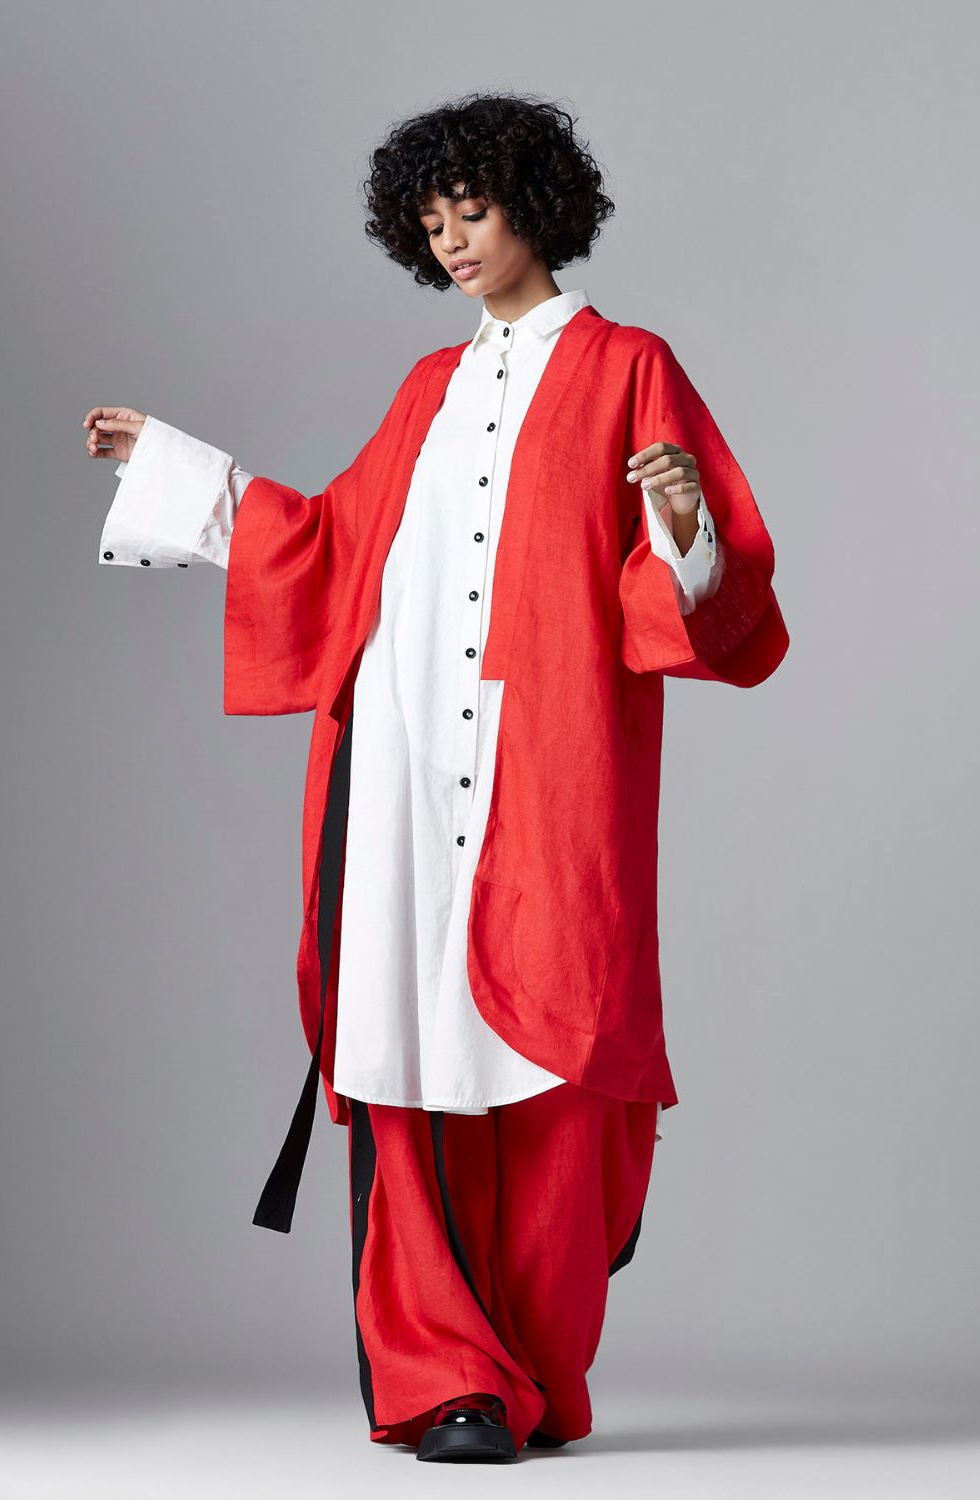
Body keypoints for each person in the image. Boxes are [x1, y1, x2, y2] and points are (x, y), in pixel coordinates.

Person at [83, 91, 788, 1463]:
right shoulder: (428, 389)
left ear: (539, 204)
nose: (454, 241)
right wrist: (177, 468)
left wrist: (683, 522)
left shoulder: (629, 365)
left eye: (474, 209)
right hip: (402, 769)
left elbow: (696, 596)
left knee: (557, 1055)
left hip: (551, 773)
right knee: (405, 1045)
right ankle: (447, 1379)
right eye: (430, 222)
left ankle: (534, 1369)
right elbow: (330, 549)